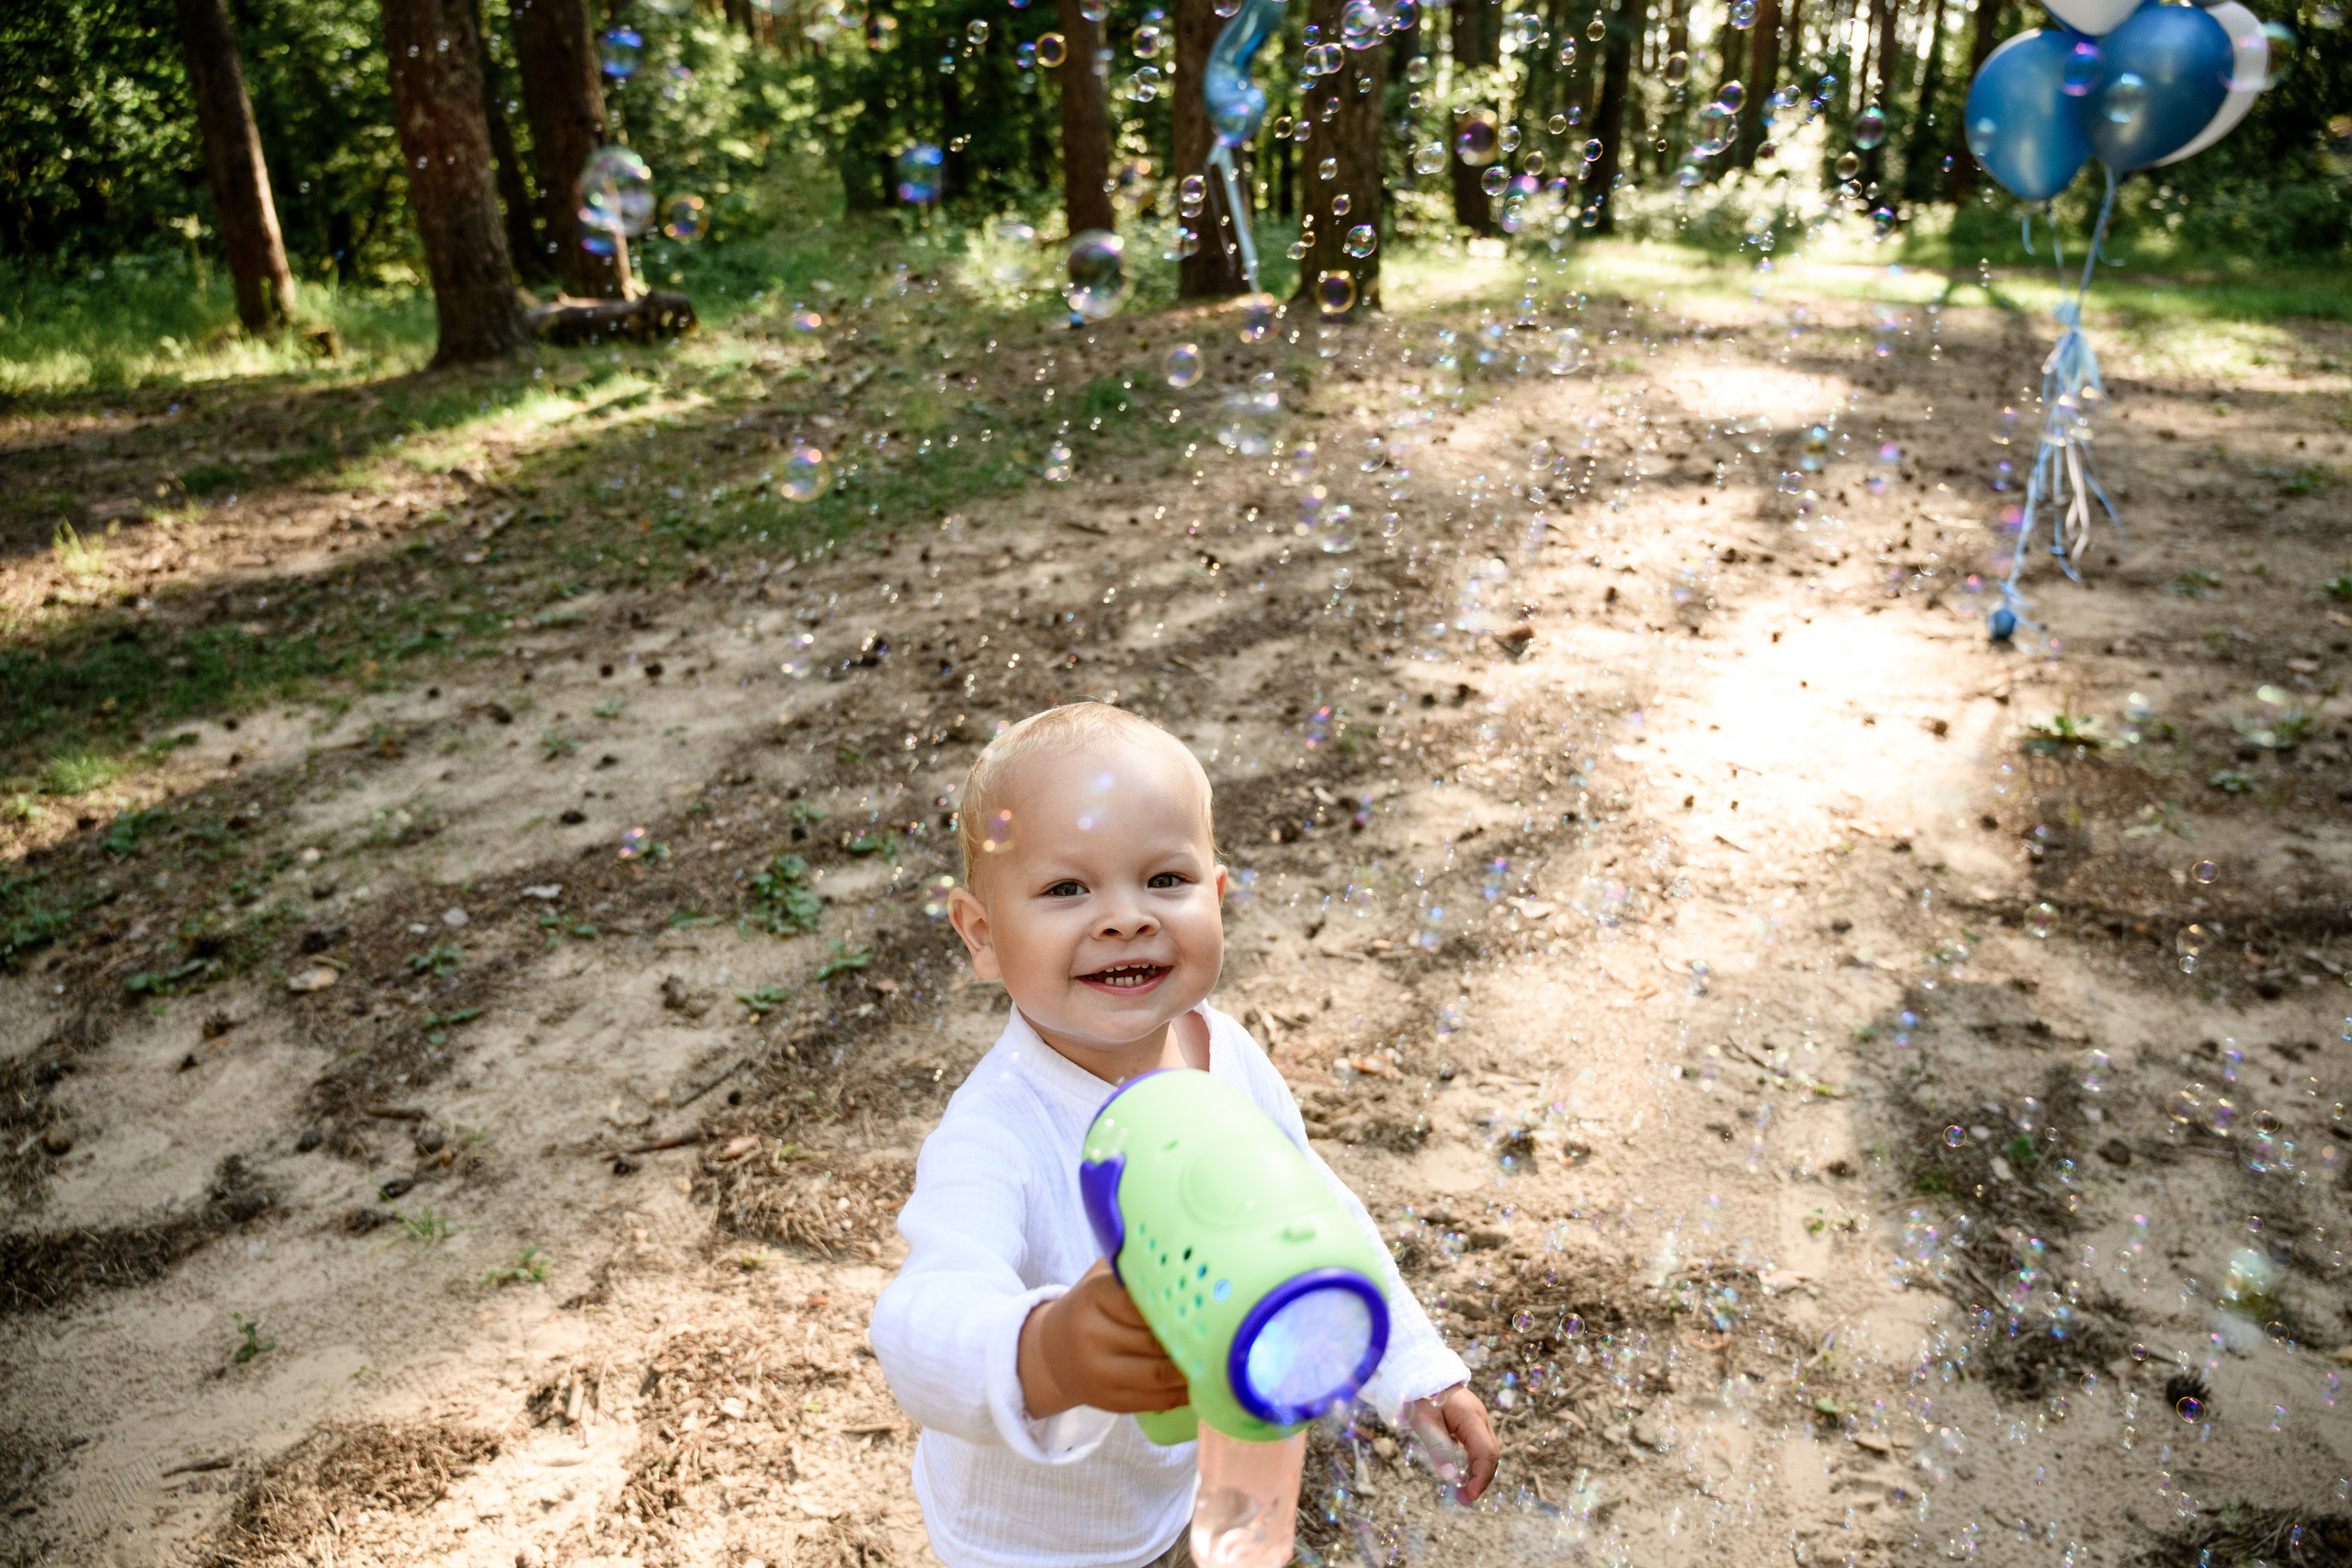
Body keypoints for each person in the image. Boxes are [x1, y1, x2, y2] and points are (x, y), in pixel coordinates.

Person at [869, 702, 1498, 1568]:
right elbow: (916, 1325)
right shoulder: (996, 1133)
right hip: (1037, 1539)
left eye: (1164, 879)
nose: (1125, 917)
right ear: (982, 935)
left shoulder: (1225, 1053)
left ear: (1216, 894)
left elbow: (1313, 1216)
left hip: (1178, 1479)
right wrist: (1045, 1350)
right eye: (1065, 888)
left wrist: (1415, 1367)